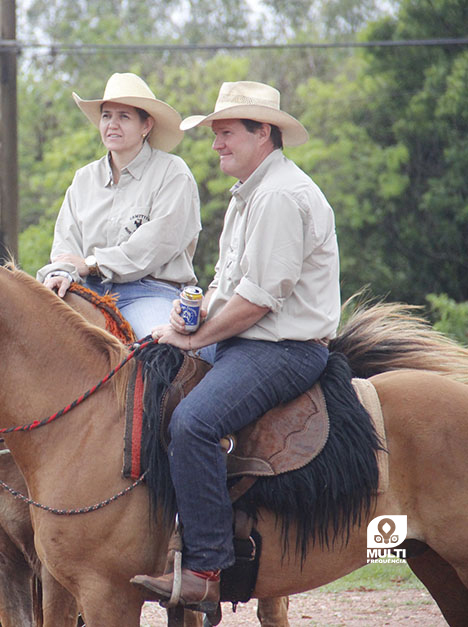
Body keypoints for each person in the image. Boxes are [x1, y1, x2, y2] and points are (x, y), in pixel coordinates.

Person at [130, 81, 341, 608]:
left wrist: (193, 336)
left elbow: (260, 300)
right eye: (217, 134)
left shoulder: (275, 195)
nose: (217, 144)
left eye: (225, 133)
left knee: (194, 423)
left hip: (283, 351)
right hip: (249, 343)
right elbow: (230, 288)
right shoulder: (251, 191)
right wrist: (189, 315)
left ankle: (205, 568)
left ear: (262, 132)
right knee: (147, 388)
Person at [35, 72, 201, 336]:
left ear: (146, 126)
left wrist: (90, 263)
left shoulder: (173, 173)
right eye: (106, 116)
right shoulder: (84, 178)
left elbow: (154, 246)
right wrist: (63, 272)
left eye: (124, 117)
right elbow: (66, 244)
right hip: (87, 291)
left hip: (149, 292)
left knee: (159, 350)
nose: (112, 124)